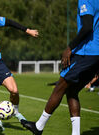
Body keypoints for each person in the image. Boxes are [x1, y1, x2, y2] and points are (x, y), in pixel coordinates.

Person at [21, 0, 99, 135]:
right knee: (72, 91)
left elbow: (87, 27)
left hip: (86, 52)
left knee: (60, 86)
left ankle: (38, 127)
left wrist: (69, 47)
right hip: (96, 55)